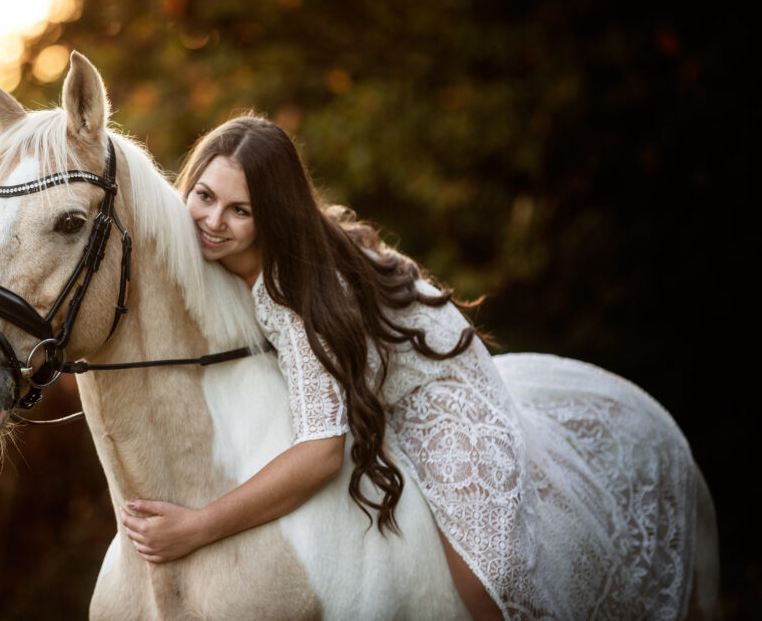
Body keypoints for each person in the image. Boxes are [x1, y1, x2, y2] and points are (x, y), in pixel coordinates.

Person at [119, 116, 697, 620]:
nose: (212, 221)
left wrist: (199, 526)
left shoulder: (295, 294)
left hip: (432, 385)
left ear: (273, 217)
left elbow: (322, 451)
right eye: (203, 196)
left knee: (487, 579)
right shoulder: (202, 249)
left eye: (240, 210)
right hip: (359, 374)